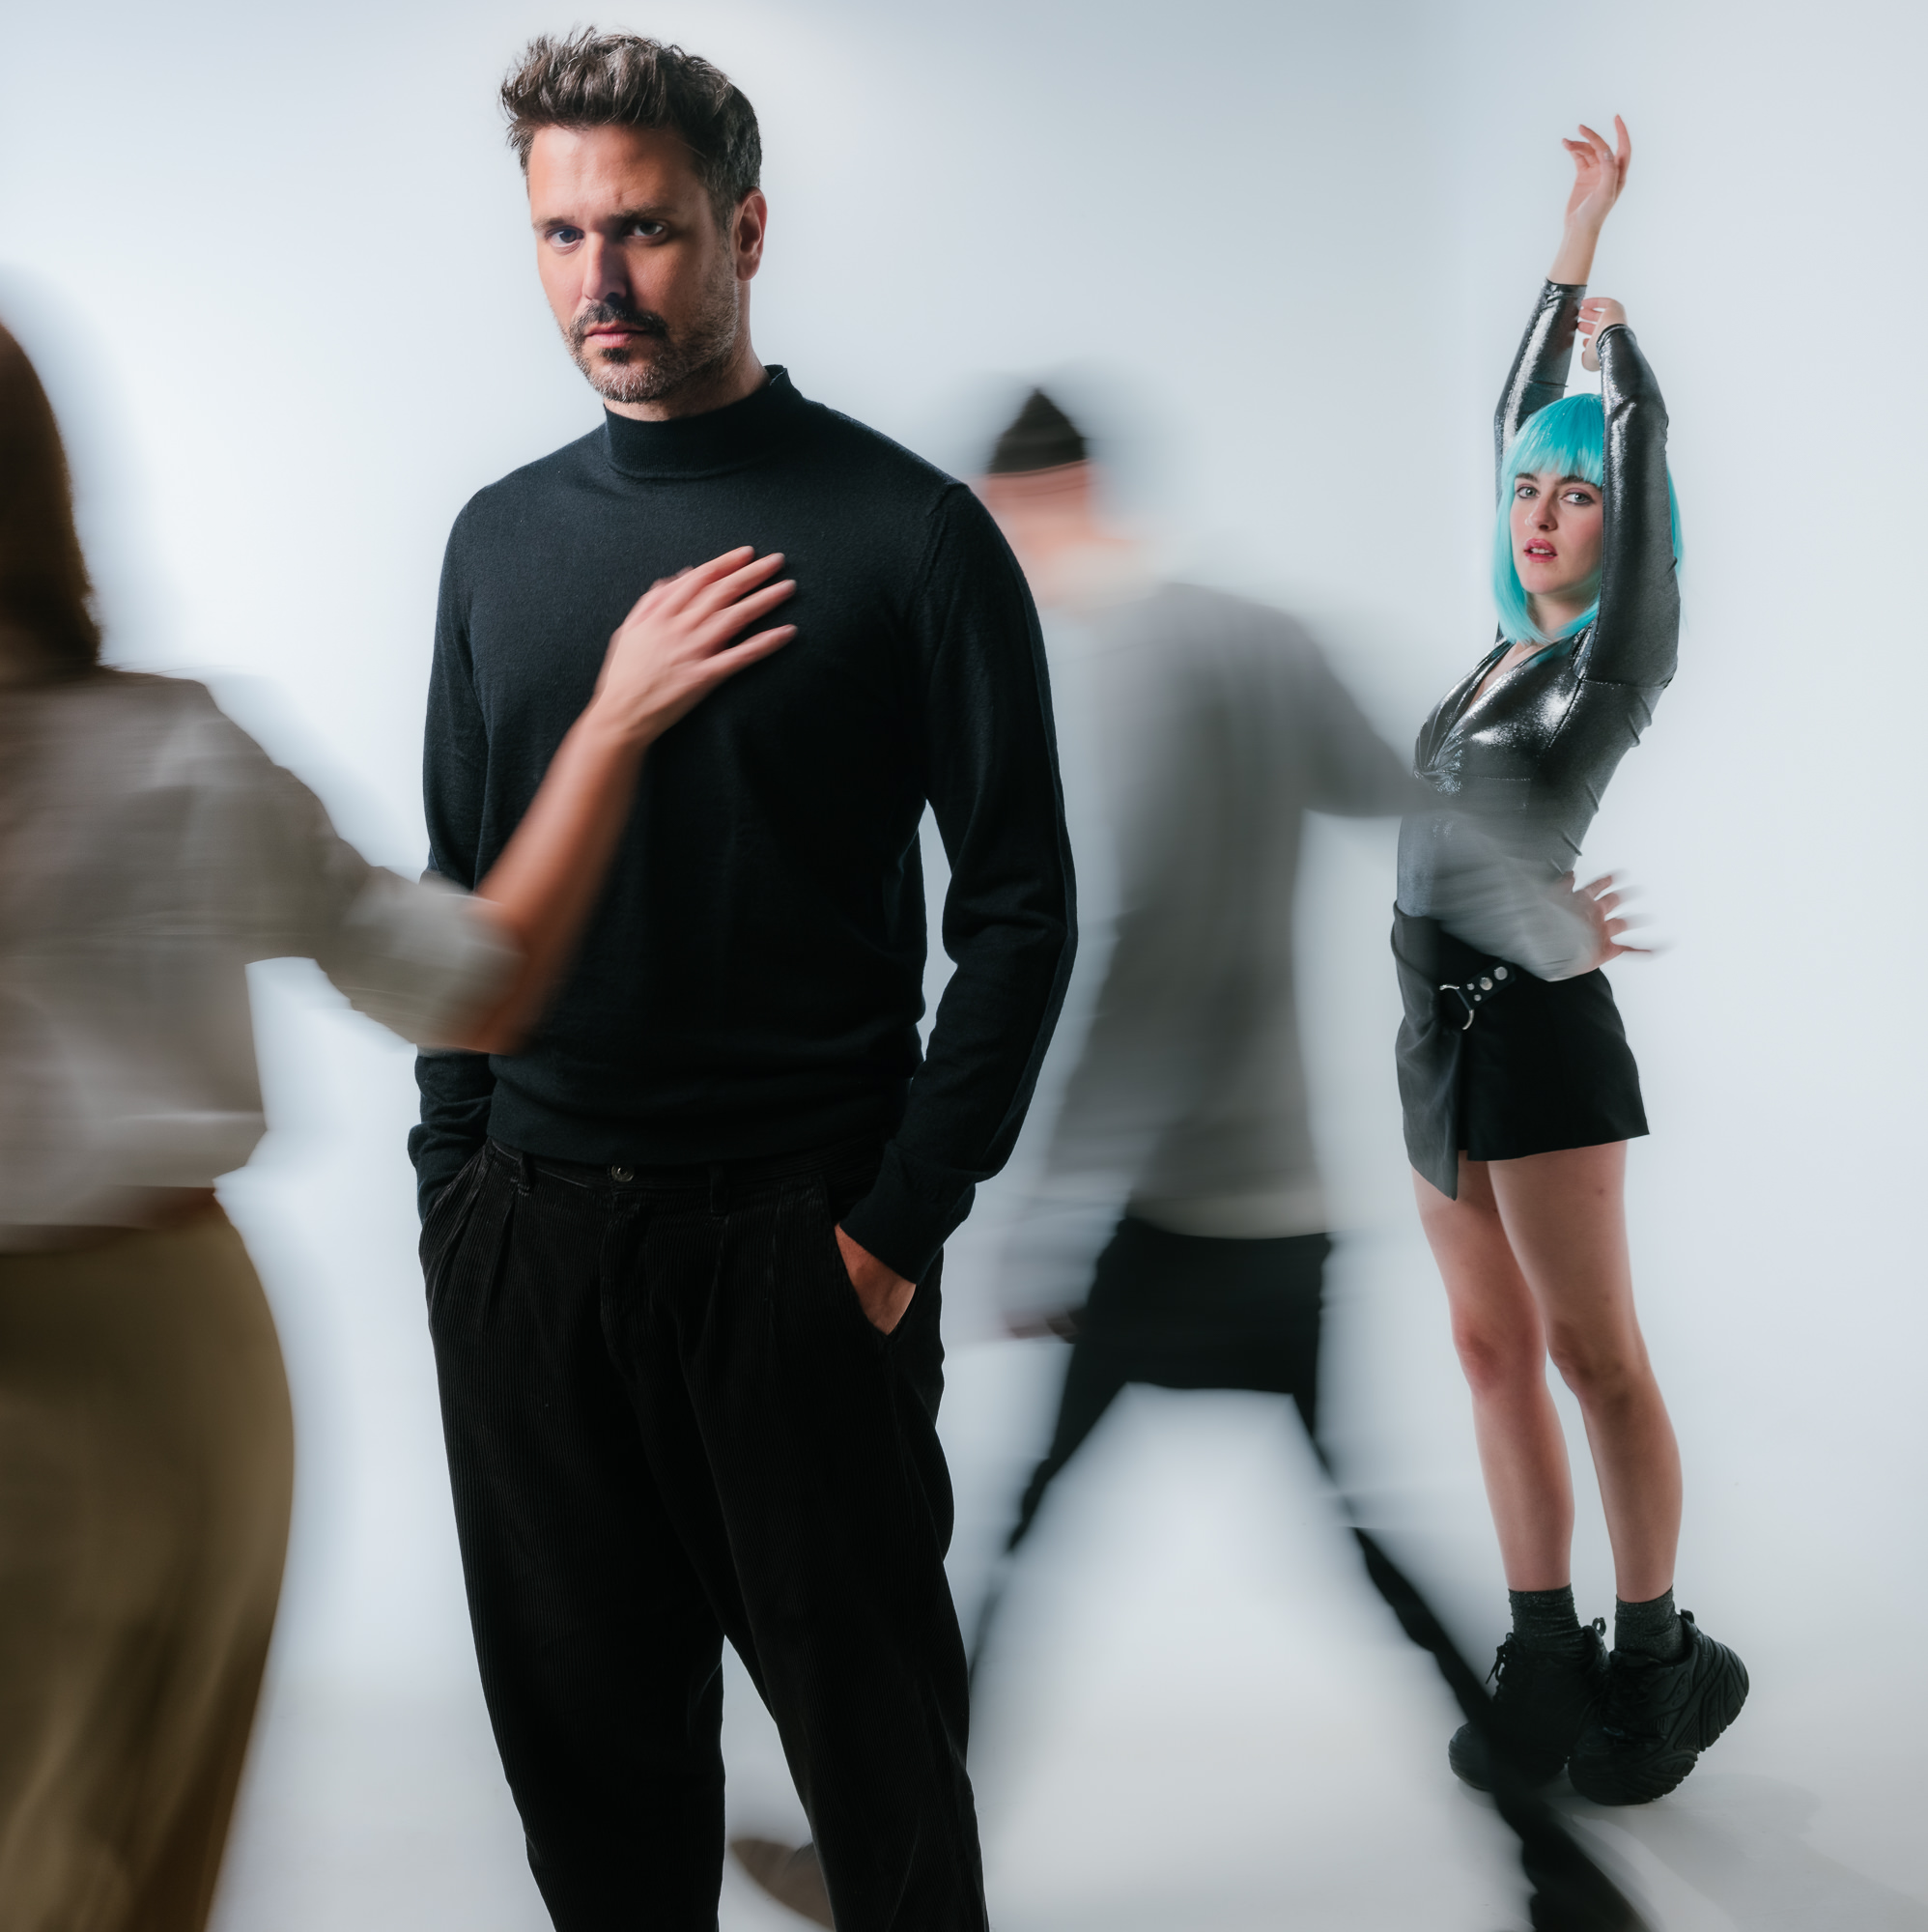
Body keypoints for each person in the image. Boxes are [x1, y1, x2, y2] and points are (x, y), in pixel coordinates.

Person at [735, 389, 1654, 1932]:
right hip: (1276, 1205)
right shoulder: (1259, 636)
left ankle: (870, 1870)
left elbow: (1139, 957)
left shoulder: (1125, 666)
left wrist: (1044, 1211)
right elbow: (1415, 805)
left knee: (1030, 1536)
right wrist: (1550, 926)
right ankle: (1559, 1868)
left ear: (1039, 503)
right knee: (1311, 1538)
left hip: (1170, 1214)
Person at [0, 316, 786, 1930]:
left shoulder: (169, 756)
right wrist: (610, 728)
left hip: (149, 1363)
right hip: (170, 1355)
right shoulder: (167, 751)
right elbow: (469, 983)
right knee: (115, 1858)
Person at [410, 33, 1073, 1932]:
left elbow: (1019, 907)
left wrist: (889, 1232)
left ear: (745, 230)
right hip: (531, 1254)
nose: (599, 280)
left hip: (799, 1251)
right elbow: (462, 888)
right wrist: (454, 1193)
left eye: (643, 228)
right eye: (561, 235)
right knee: (599, 1820)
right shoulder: (499, 541)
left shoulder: (907, 534)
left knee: (886, 1803)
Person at [1394, 119, 1745, 1806]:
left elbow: (1633, 475)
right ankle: (1544, 1653)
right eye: (1531, 493)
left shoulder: (1613, 663)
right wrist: (1576, 231)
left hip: (1538, 1040)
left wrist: (1627, 376)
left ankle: (1659, 1665)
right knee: (1489, 1355)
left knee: (1597, 1359)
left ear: (1622, 525)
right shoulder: (1494, 654)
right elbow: (1511, 423)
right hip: (1429, 1040)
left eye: (1578, 494)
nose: (1542, 514)